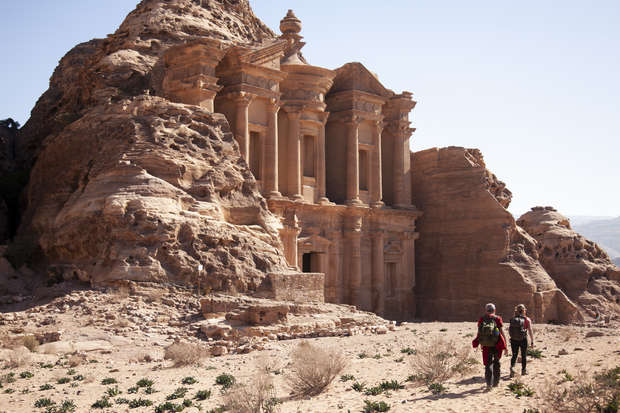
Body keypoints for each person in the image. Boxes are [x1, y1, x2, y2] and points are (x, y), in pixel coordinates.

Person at [472, 303, 507, 388]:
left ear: (486, 310)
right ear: (494, 310)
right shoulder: (497, 318)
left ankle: (488, 384)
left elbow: (479, 332)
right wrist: (505, 345)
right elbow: (501, 332)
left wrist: (480, 342)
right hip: (497, 344)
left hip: (486, 345)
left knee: (488, 364)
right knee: (496, 363)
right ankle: (496, 383)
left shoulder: (482, 319)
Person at [509, 304, 534, 377]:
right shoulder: (527, 319)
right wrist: (532, 341)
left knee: (514, 354)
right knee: (523, 355)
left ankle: (512, 368)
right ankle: (523, 370)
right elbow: (530, 331)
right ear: (523, 311)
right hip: (523, 339)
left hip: (513, 339)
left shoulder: (513, 319)